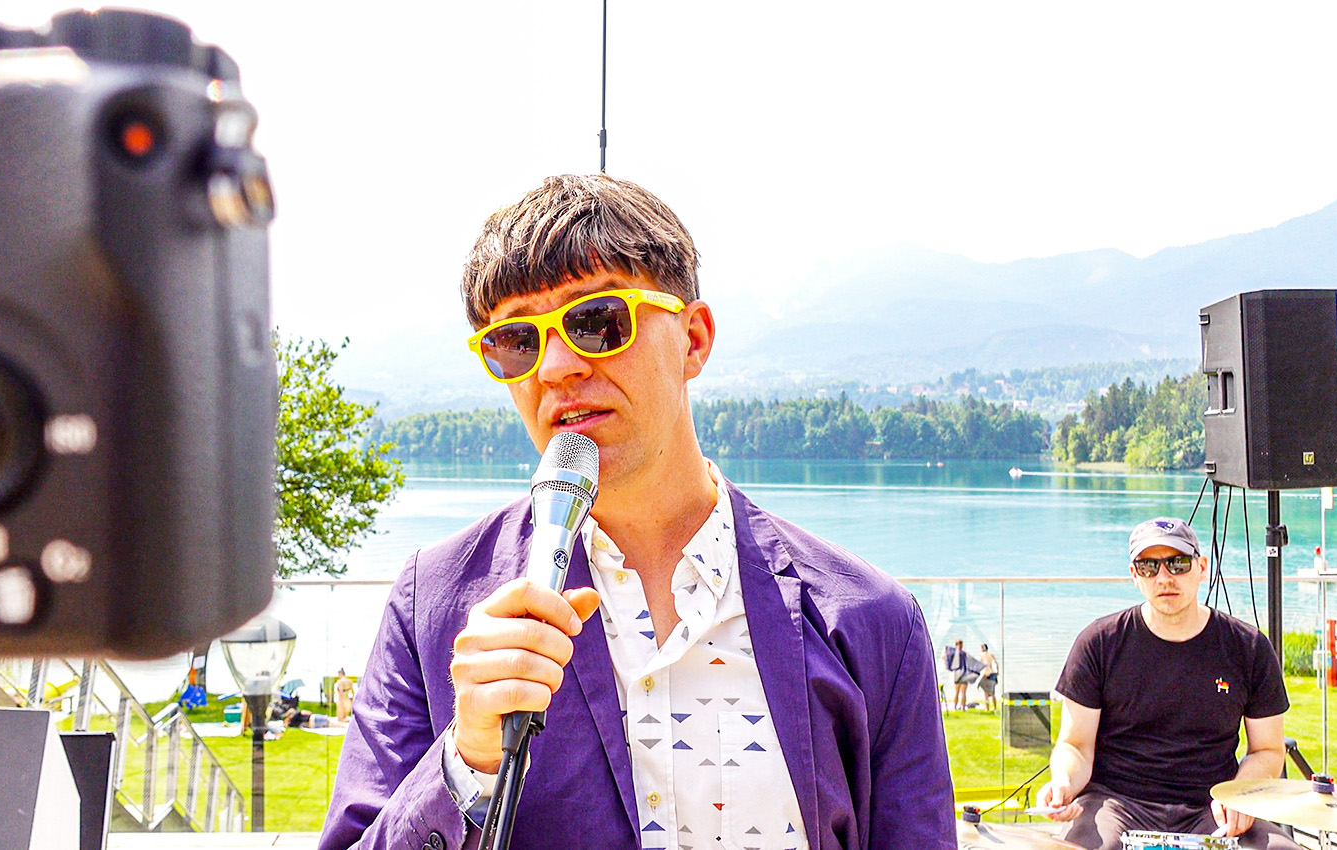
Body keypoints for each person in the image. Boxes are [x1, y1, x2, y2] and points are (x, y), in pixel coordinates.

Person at [320, 174, 953, 849]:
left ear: (694, 339)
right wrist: (465, 763)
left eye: (596, 321)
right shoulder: (434, 606)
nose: (555, 367)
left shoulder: (871, 624)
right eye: (517, 341)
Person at [1036, 517, 1298, 850]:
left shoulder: (1248, 646)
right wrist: (1063, 783)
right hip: (1116, 802)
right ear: (1134, 575)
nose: (1164, 578)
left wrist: (1240, 794)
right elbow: (1075, 745)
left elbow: (1267, 750)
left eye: (1178, 563)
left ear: (1201, 567)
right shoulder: (1099, 642)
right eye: (1148, 567)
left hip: (1212, 804)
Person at [944, 638, 975, 710]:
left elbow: (945, 657)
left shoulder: (953, 653)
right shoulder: (965, 653)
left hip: (957, 674)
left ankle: (955, 707)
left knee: (956, 692)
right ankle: (963, 708)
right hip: (964, 673)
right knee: (963, 692)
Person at [977, 643, 998, 712]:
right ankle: (994, 707)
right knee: (992, 692)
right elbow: (996, 664)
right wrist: (997, 672)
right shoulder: (991, 655)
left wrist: (983, 673)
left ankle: (987, 708)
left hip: (986, 674)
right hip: (993, 674)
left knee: (986, 692)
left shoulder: (982, 655)